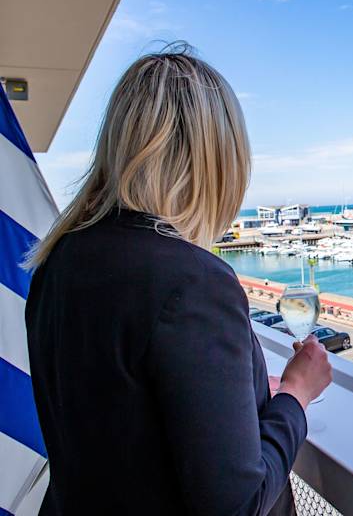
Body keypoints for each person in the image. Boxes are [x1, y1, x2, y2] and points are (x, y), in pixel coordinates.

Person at [25, 44, 331, 515]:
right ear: (219, 159)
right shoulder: (193, 282)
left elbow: (130, 410)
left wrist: (239, 395)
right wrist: (296, 393)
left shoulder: (59, 261)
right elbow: (239, 503)